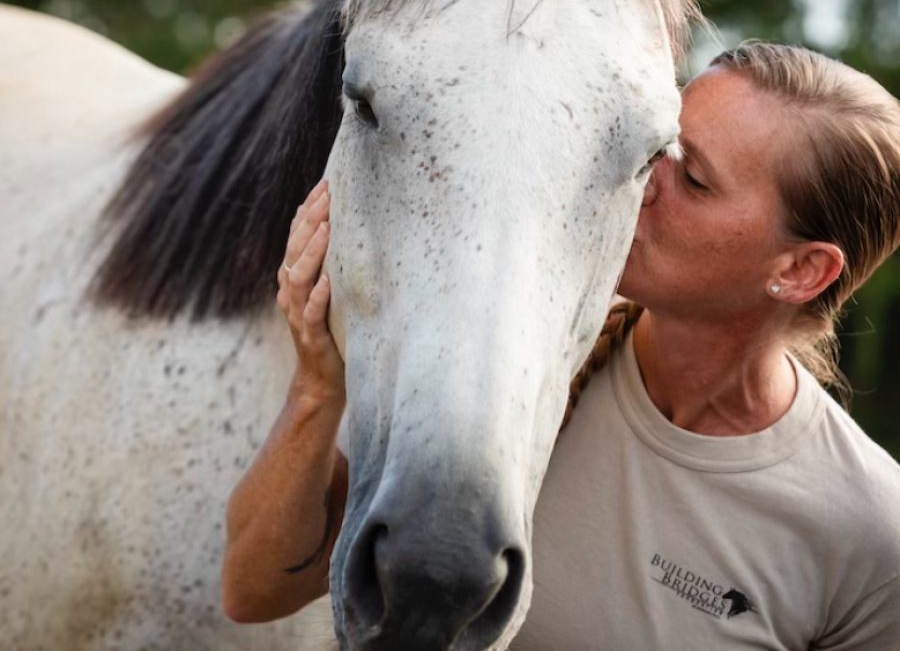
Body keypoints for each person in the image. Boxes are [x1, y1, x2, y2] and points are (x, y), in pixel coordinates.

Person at [222, 42, 900, 648]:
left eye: (693, 181)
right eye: (657, 144)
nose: (642, 177)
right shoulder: (512, 343)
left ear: (800, 271)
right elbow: (258, 591)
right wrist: (317, 387)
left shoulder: (873, 538)